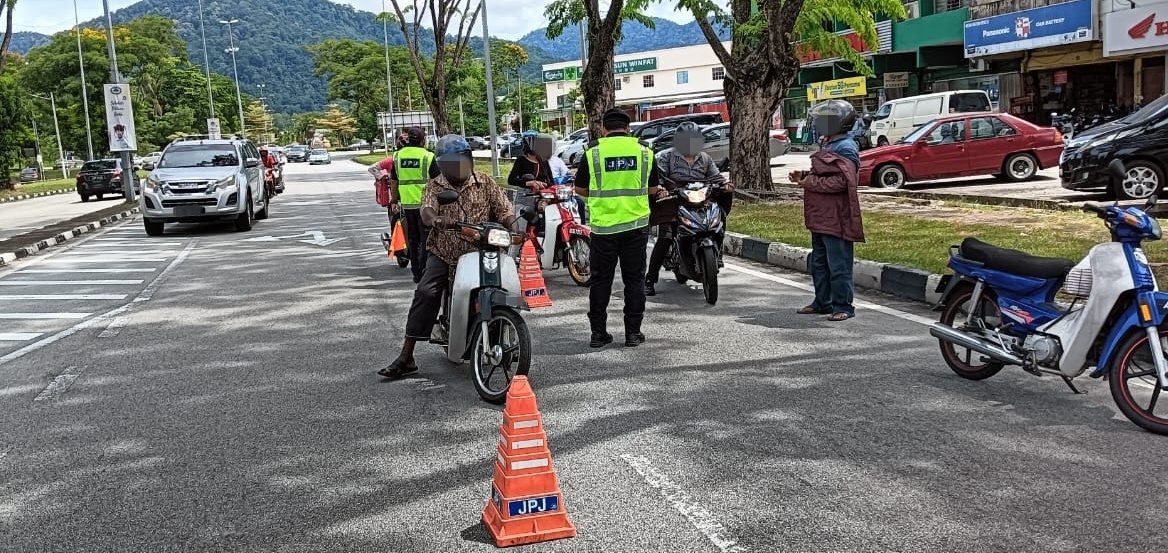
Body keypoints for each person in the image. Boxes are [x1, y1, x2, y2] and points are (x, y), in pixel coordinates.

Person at [378, 134, 518, 379]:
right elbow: (427, 211)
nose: (460, 165)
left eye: (464, 159)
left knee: (507, 287)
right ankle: (407, 355)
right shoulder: (435, 185)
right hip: (445, 253)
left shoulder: (484, 181)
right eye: (454, 161)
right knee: (426, 292)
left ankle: (506, 335)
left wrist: (514, 227)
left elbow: (504, 209)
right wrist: (436, 220)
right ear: (443, 165)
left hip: (483, 251)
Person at [575, 108, 665, 348]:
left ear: (604, 129)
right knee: (634, 280)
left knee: (600, 280)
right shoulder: (645, 152)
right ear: (628, 128)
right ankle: (633, 333)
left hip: (604, 227)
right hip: (635, 226)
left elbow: (580, 189)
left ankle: (598, 334)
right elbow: (654, 190)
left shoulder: (593, 152)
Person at [789, 99, 865, 321]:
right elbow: (824, 175)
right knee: (819, 262)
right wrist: (804, 176)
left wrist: (808, 183)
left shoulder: (846, 147)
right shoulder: (828, 145)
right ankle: (822, 302)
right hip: (820, 215)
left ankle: (843, 306)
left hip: (836, 216)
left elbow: (842, 182)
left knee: (838, 264)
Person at [644, 122, 733, 296]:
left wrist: (725, 185)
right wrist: (661, 189)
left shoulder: (705, 158)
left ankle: (718, 254)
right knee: (666, 236)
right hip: (675, 201)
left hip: (700, 200)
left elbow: (716, 177)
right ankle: (650, 279)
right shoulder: (666, 157)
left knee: (719, 219)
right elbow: (658, 179)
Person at [388, 127, 441, 283]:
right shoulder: (428, 156)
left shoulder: (398, 156)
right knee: (425, 239)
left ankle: (416, 272)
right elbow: (438, 181)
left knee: (412, 238)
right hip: (426, 206)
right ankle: (424, 271)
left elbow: (394, 181)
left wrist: (394, 199)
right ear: (423, 140)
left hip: (407, 205)